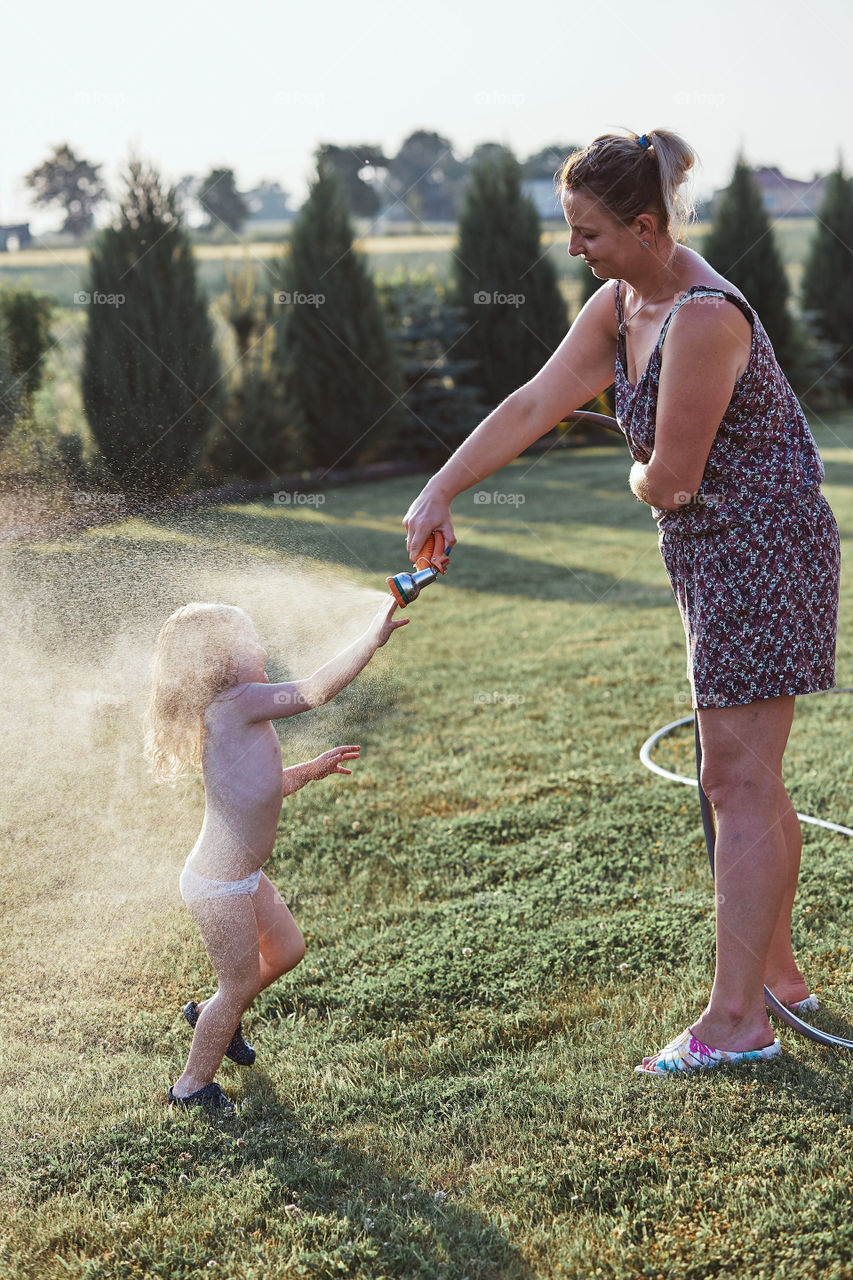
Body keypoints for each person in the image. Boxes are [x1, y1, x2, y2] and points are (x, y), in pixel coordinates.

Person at [403, 129, 840, 1076]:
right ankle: (780, 982)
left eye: (587, 232)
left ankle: (737, 1023)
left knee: (736, 782)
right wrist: (442, 487)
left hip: (763, 558)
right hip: (718, 559)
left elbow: (673, 482)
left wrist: (636, 471)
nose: (573, 249)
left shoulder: (703, 319)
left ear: (645, 226)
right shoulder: (620, 300)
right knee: (747, 778)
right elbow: (533, 401)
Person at [144, 596, 408, 1109]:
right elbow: (315, 691)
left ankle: (212, 1013)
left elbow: (261, 788)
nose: (261, 647)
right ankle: (190, 1088)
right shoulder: (236, 703)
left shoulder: (236, 710)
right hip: (218, 882)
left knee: (286, 952)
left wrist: (311, 770)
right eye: (249, 641)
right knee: (238, 982)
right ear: (221, 661)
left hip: (241, 875)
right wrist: (371, 638)